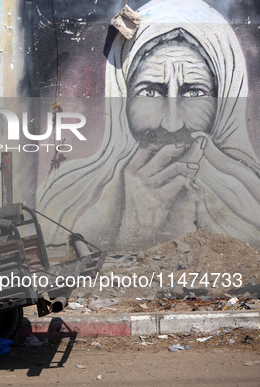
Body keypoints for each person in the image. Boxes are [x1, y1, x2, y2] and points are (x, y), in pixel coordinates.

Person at [37, 0, 260, 251]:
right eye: (151, 92)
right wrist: (124, 224)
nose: (172, 124)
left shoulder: (253, 198)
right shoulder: (63, 196)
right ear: (123, 95)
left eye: (194, 92)